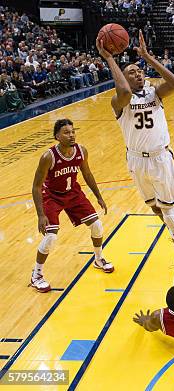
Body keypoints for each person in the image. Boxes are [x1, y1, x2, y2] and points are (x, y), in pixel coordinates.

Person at [97, 30, 174, 285]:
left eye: (139, 71)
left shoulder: (154, 94)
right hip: (137, 161)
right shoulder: (119, 101)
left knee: (168, 210)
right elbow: (125, 92)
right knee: (153, 206)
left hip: (160, 158)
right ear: (122, 78)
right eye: (131, 72)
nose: (138, 74)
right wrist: (109, 58)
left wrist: (148, 57)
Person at [30, 119, 112, 293]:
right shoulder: (48, 157)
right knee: (51, 237)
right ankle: (36, 274)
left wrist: (99, 196)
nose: (71, 135)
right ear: (57, 137)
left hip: (73, 193)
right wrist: (40, 215)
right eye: (66, 132)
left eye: (73, 131)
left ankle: (99, 259)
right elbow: (36, 186)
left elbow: (87, 173)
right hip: (51, 196)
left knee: (97, 225)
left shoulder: (81, 151)